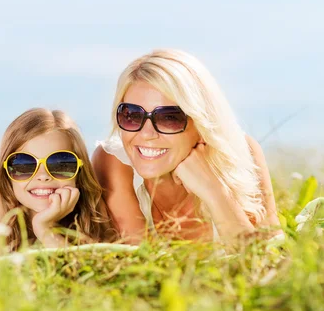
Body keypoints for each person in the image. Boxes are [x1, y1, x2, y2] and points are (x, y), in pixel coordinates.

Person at [92, 49, 282, 243]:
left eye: (168, 118)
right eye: (131, 115)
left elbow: (269, 262)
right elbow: (140, 264)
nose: (147, 134)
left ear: (201, 122)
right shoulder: (113, 162)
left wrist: (216, 193)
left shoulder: (242, 153)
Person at [0, 108, 115, 251]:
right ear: (6, 172)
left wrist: (45, 228)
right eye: (24, 165)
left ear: (79, 171)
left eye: (60, 164)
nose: (43, 176)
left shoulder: (92, 205)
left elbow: (88, 270)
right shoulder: (0, 197)